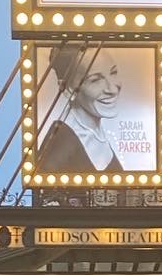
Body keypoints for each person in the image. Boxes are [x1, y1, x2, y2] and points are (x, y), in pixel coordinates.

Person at [36, 44, 126, 176]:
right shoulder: (60, 144)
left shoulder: (95, 132)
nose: (113, 89)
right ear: (67, 89)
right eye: (95, 80)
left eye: (113, 72)